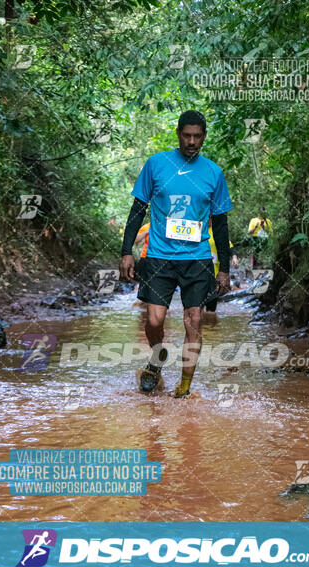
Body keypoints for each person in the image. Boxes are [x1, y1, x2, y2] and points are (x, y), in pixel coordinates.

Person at [120, 110, 233, 397]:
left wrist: (224, 270)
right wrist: (126, 252)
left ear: (204, 137)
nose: (192, 141)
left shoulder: (213, 173)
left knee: (194, 320)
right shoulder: (157, 164)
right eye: (187, 135)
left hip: (197, 259)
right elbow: (137, 210)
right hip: (158, 256)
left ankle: (183, 390)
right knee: (155, 320)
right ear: (178, 134)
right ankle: (157, 358)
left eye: (197, 136)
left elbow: (220, 223)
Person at [205, 217, 239, 313]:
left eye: (209, 217)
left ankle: (210, 325)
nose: (207, 220)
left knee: (211, 304)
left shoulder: (217, 230)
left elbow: (228, 246)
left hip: (215, 271)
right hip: (201, 270)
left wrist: (234, 257)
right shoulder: (199, 229)